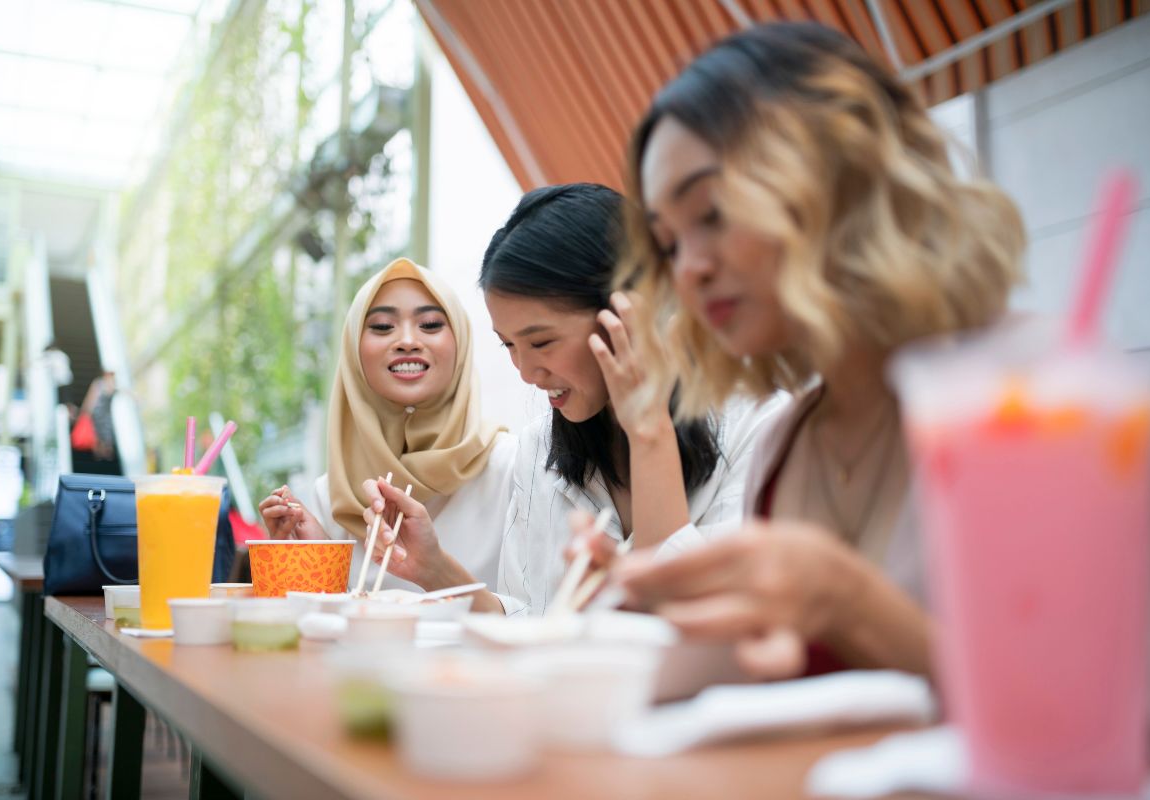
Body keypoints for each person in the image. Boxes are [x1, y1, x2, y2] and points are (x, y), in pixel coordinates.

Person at [584, 22, 1023, 678]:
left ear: (839, 175)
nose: (689, 270)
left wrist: (848, 601)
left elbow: (1099, 715)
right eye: (669, 244)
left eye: (712, 213)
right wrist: (648, 600)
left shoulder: (1028, 395)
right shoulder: (785, 444)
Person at [367, 183, 768, 615]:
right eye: (509, 346)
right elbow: (529, 623)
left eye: (541, 342)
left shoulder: (758, 426)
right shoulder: (540, 447)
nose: (526, 371)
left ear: (628, 313)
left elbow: (687, 632)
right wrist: (435, 569)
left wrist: (648, 431)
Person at [258, 258, 515, 602]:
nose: (407, 341)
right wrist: (316, 566)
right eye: (381, 327)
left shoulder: (511, 468)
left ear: (461, 342)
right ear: (353, 352)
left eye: (430, 324)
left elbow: (539, 617)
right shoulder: (331, 493)